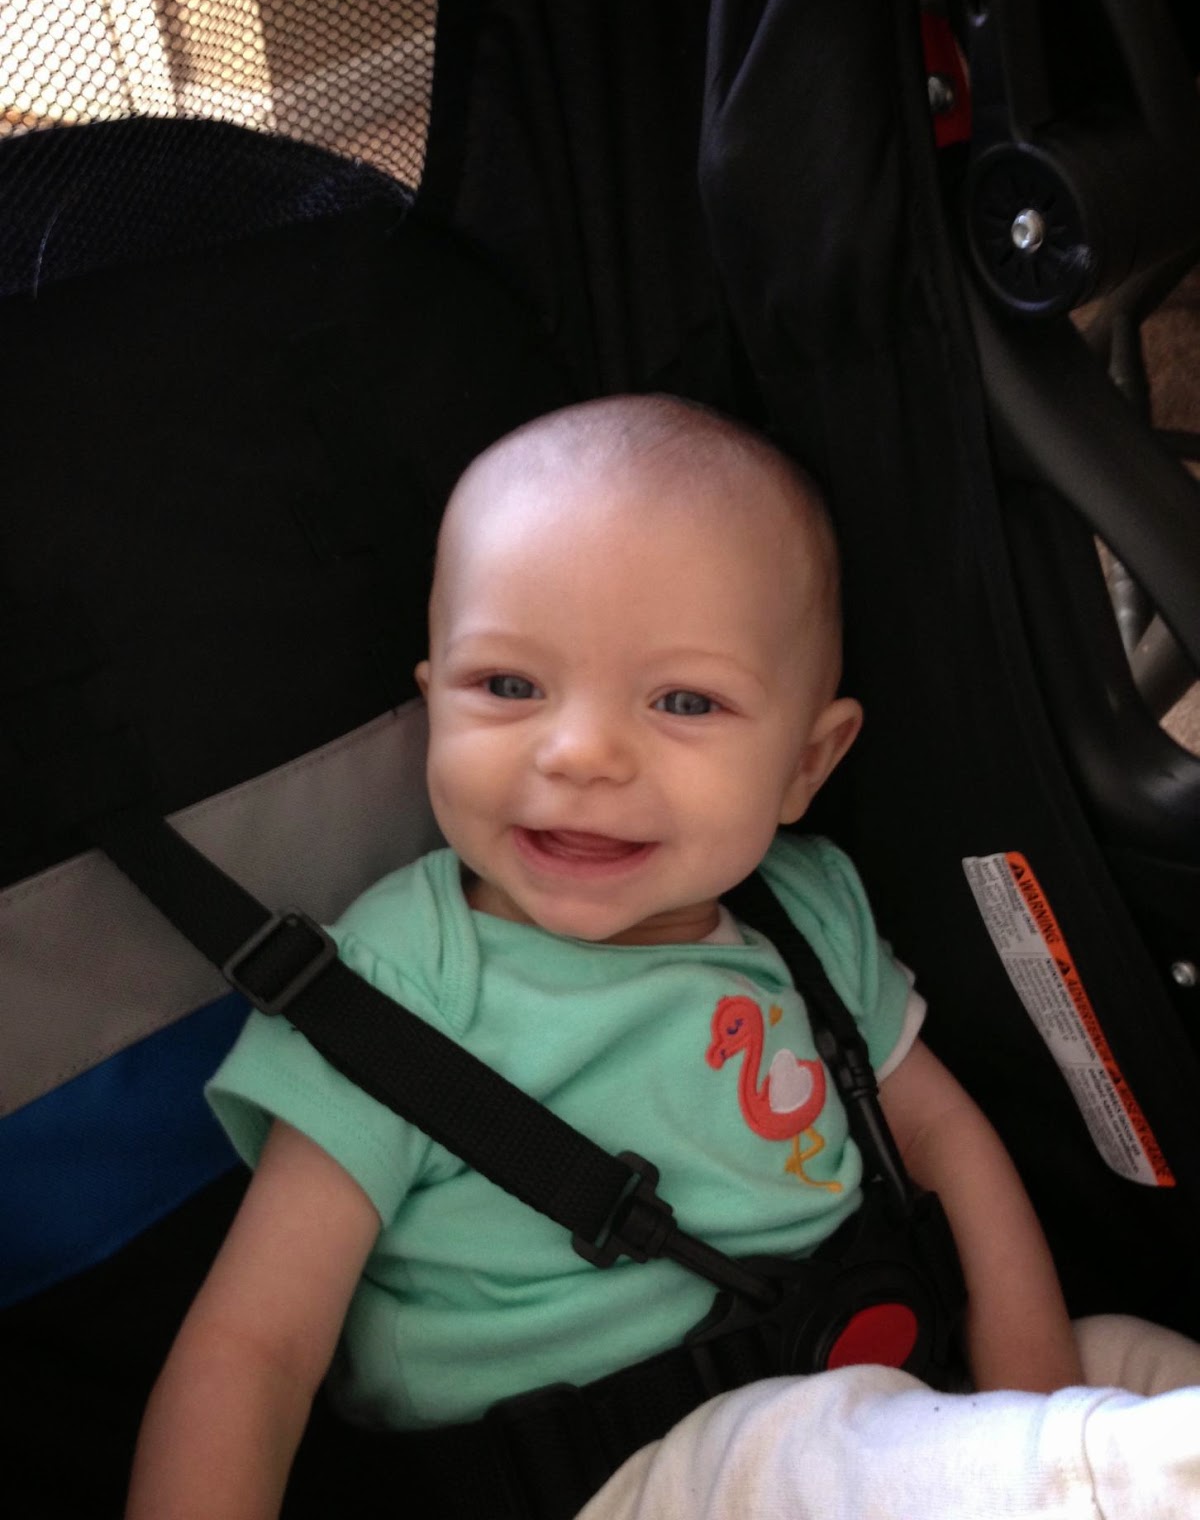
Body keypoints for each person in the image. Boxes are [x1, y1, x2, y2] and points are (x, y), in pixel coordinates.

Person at [126, 395, 1200, 1520]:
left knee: (1128, 1367)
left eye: (685, 701)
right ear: (432, 700)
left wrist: (1030, 1382)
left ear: (809, 761)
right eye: (508, 686)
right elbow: (254, 1349)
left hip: (872, 1403)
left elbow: (944, 1140)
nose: (581, 751)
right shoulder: (395, 985)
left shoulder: (808, 913)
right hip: (621, 1481)